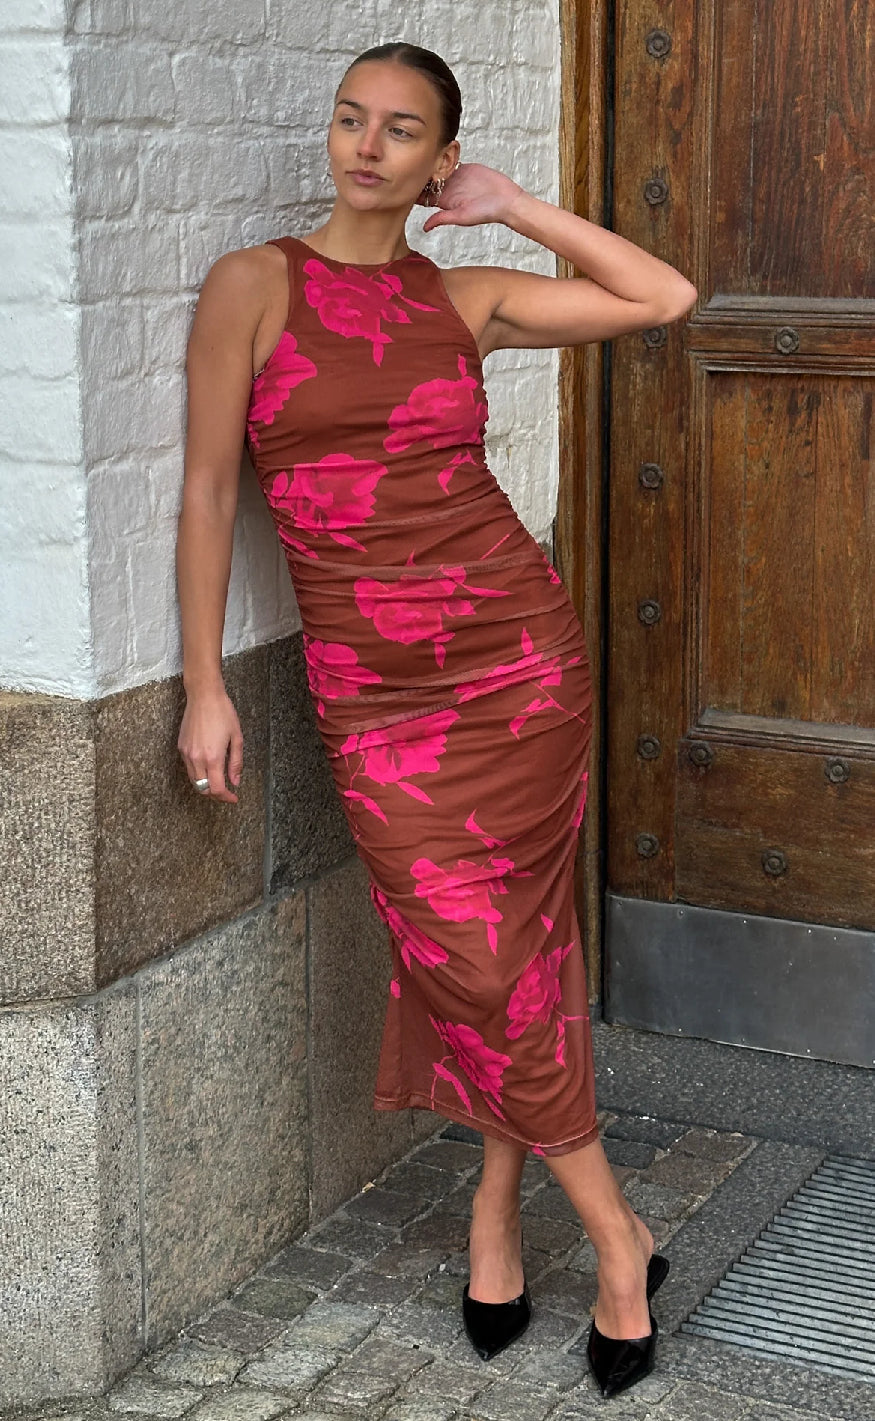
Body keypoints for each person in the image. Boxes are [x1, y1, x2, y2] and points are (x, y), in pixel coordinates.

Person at [175, 41, 696, 1399]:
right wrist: (205, 682)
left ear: (437, 161)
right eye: (351, 118)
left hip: (518, 665)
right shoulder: (253, 286)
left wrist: (513, 206)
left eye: (401, 130)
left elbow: (662, 296)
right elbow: (208, 492)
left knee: (513, 947)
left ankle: (503, 1217)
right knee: (472, 953)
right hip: (377, 696)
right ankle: (617, 1228)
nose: (367, 145)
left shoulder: (462, 296)